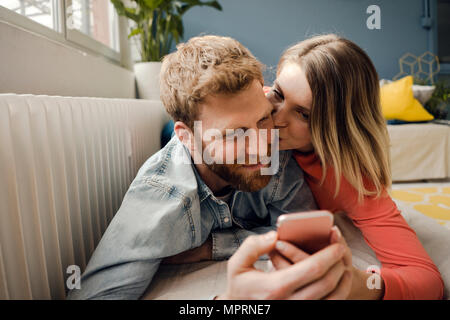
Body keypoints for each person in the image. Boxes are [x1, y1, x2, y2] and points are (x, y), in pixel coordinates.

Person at [67, 35, 326, 300]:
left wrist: (213, 247)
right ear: (187, 137)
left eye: (262, 120)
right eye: (234, 134)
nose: (262, 149)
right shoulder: (162, 195)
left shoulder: (278, 156)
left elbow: (305, 238)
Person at [259, 34, 442, 299]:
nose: (276, 119)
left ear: (337, 125)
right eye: (278, 93)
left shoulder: (350, 179)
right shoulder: (255, 105)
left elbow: (427, 280)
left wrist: (358, 285)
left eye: (303, 114)